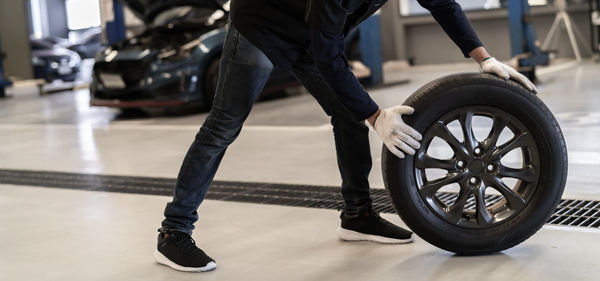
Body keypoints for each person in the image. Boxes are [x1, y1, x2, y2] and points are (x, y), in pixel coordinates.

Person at [153, 0, 537, 272]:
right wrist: (375, 116)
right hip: (262, 24)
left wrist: (483, 57)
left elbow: (443, 5)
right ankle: (174, 232)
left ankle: (357, 216)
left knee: (347, 112)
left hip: (312, 29)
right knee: (225, 124)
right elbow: (327, 56)